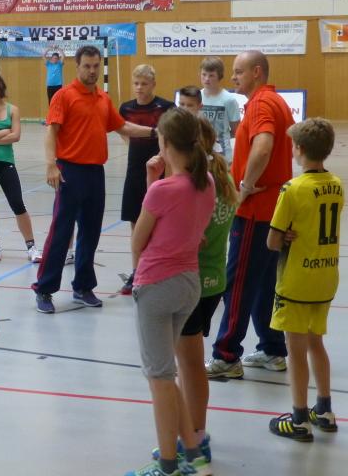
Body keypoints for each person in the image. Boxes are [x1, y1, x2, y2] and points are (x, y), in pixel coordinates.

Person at [33, 45, 156, 314]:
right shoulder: (64, 96)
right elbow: (51, 132)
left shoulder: (103, 98)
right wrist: (51, 165)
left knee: (90, 232)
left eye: (95, 66)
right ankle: (44, 288)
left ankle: (83, 287)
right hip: (69, 171)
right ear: (77, 67)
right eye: (87, 66)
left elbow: (121, 126)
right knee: (61, 232)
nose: (92, 71)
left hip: (95, 173)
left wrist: (155, 132)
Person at [126, 108, 215, 476]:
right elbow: (173, 220)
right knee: (167, 372)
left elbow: (139, 240)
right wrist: (154, 181)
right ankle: (192, 452)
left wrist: (138, 276)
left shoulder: (164, 189)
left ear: (164, 142)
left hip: (157, 288)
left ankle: (167, 465)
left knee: (159, 378)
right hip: (188, 285)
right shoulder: (206, 181)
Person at [151, 119, 238, 465]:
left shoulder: (187, 188)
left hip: (187, 282)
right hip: (214, 280)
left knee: (186, 366)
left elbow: (157, 235)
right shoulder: (223, 181)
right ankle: (193, 433)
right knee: (191, 364)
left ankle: (194, 438)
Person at [206, 50, 293, 378]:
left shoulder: (260, 105)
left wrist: (245, 186)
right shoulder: (276, 101)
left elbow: (264, 145)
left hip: (255, 212)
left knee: (238, 283)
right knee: (263, 283)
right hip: (274, 212)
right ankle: (272, 349)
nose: (233, 78)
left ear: (257, 72)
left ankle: (226, 356)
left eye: (238, 72)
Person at [268, 118, 343, 442]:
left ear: (298, 150)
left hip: (297, 279)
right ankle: (324, 409)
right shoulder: (337, 185)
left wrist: (284, 236)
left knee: (295, 348)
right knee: (316, 342)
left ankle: (299, 417)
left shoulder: (292, 188)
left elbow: (272, 241)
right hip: (326, 276)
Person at [0, 72, 42, 263]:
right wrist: (4, 131)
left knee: (17, 203)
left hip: (5, 162)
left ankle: (31, 246)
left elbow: (16, 136)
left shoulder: (13, 110)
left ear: (1, 87)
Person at [118, 64, 175, 295]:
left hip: (159, 168)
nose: (140, 88)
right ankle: (137, 271)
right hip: (135, 169)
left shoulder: (166, 107)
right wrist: (132, 145)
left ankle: (161, 270)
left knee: (161, 222)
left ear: (153, 84)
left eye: (144, 83)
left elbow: (170, 136)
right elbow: (122, 129)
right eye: (136, 83)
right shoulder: (126, 108)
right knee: (136, 220)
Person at [200, 56, 241, 165]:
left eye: (211, 75)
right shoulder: (196, 97)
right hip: (200, 152)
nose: (206, 79)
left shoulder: (229, 100)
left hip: (223, 153)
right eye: (204, 74)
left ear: (219, 76)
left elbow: (236, 130)